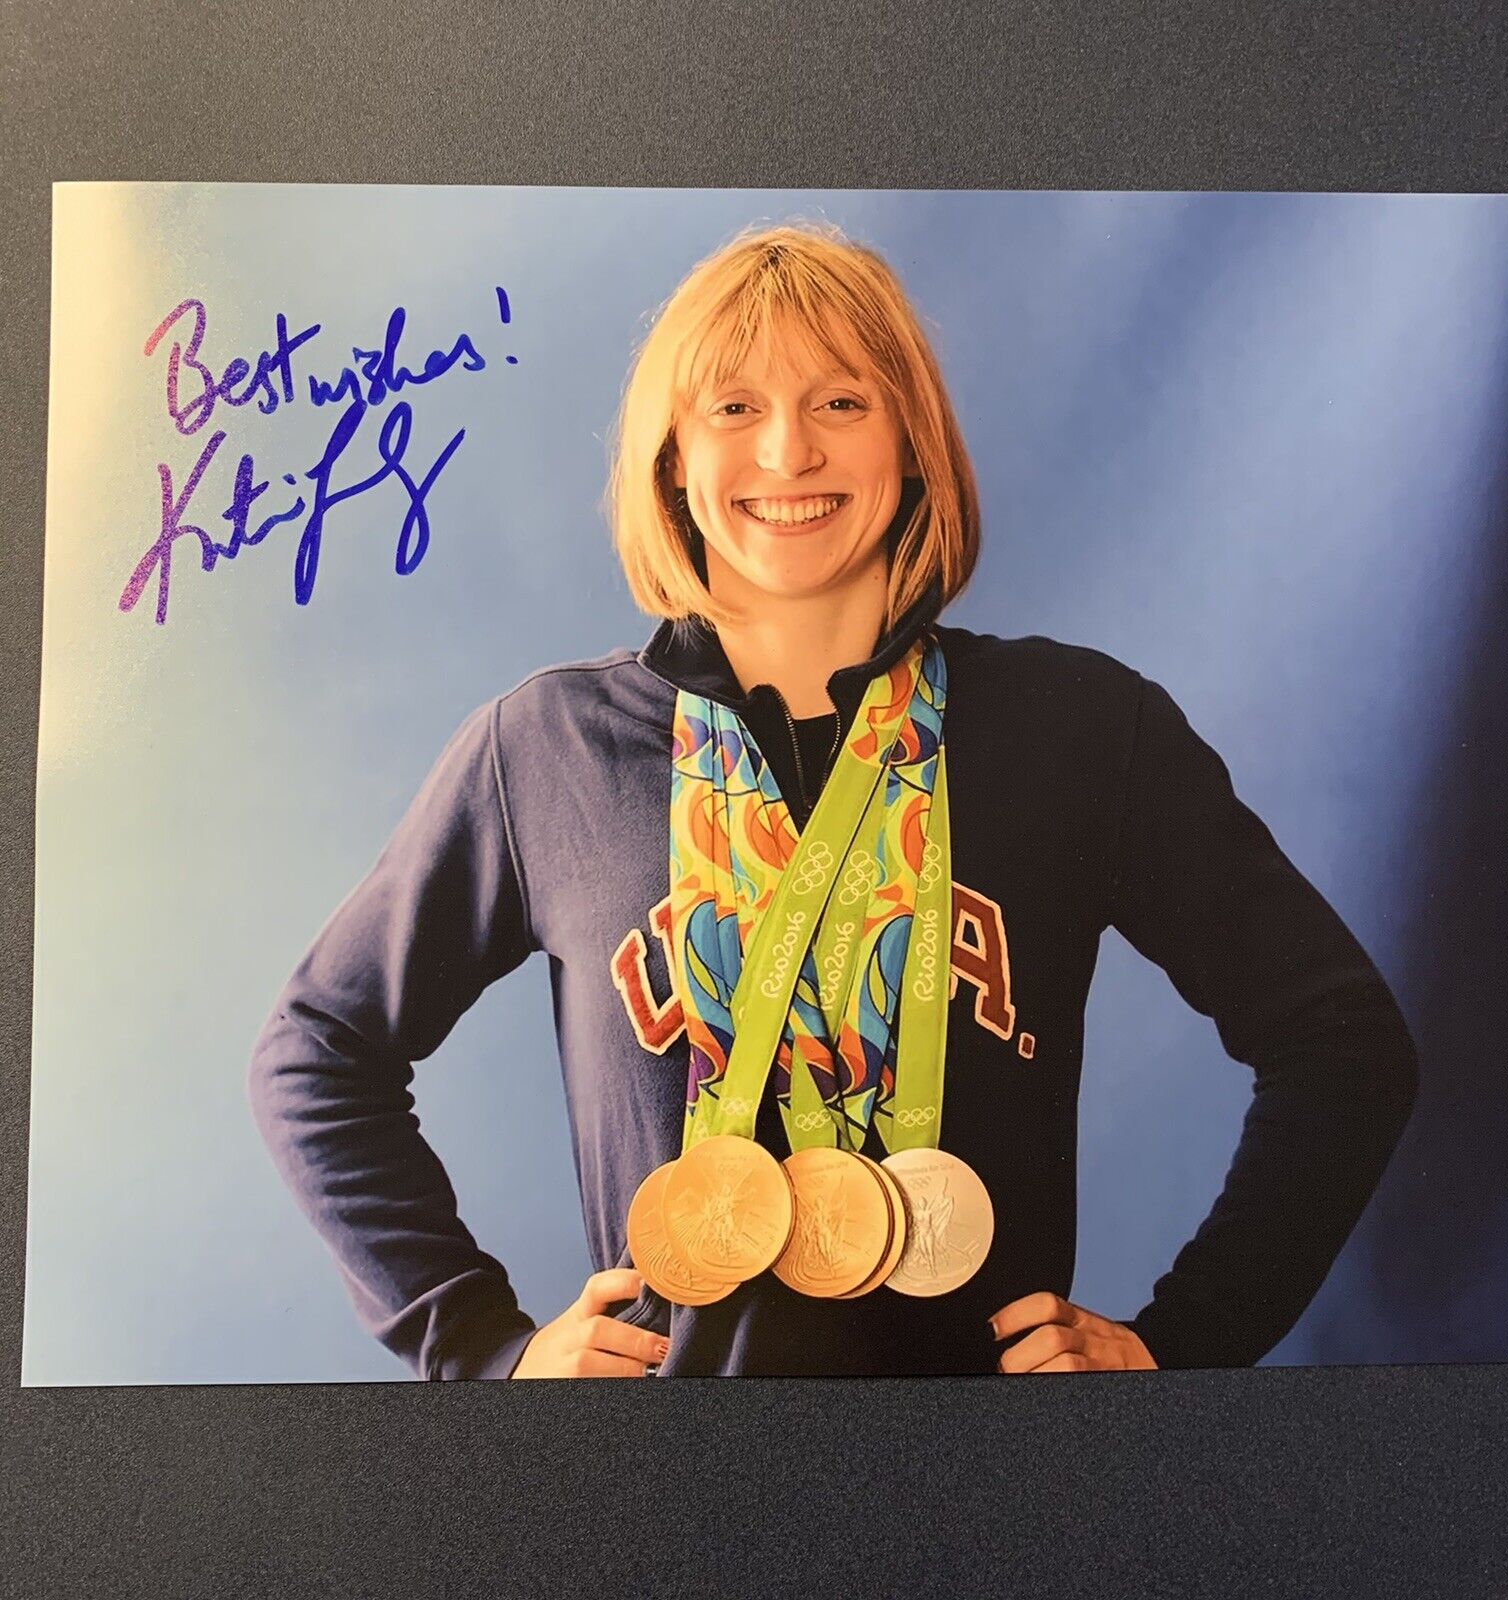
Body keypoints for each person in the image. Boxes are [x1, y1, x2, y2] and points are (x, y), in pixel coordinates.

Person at [248, 220, 1419, 1381]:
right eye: (735, 409)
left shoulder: (1082, 727)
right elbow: (317, 1051)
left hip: (1000, 1502)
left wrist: (1183, 1343)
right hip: (652, 1509)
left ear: (912, 440)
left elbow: (1342, 1043)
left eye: (841, 403)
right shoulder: (546, 749)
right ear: (672, 459)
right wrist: (482, 1349)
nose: (788, 454)